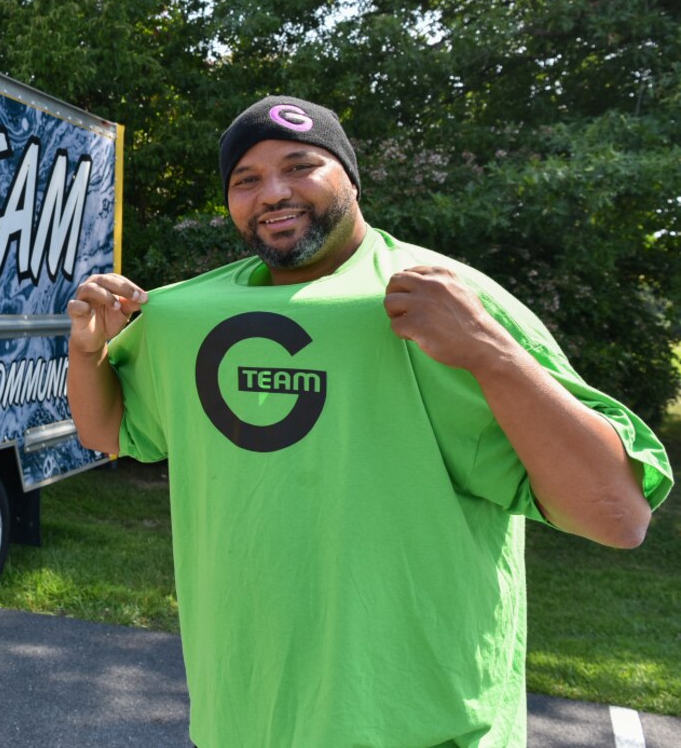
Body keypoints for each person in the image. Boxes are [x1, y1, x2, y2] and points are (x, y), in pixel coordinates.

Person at [66, 95, 672, 748]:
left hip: (424, 732)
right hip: (242, 726)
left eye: (301, 166)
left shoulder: (446, 300)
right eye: (247, 179)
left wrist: (489, 351)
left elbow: (619, 515)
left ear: (351, 178)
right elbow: (107, 432)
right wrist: (87, 349)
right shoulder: (193, 316)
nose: (273, 192)